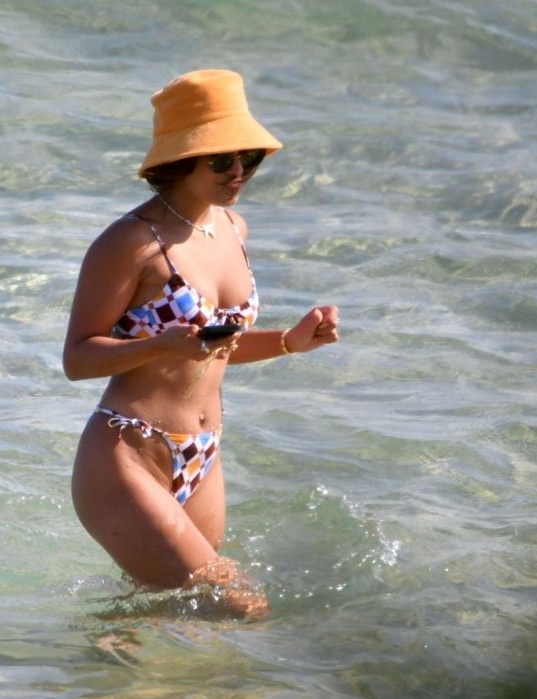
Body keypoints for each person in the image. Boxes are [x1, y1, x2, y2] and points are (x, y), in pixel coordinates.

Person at [63, 69, 339, 618]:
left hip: (204, 455)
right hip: (128, 454)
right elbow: (78, 358)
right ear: (181, 159)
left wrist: (289, 341)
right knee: (243, 606)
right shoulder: (130, 242)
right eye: (220, 160)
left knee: (167, 617)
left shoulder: (233, 228)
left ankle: (103, 662)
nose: (238, 172)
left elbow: (215, 348)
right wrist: (159, 346)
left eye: (249, 159)